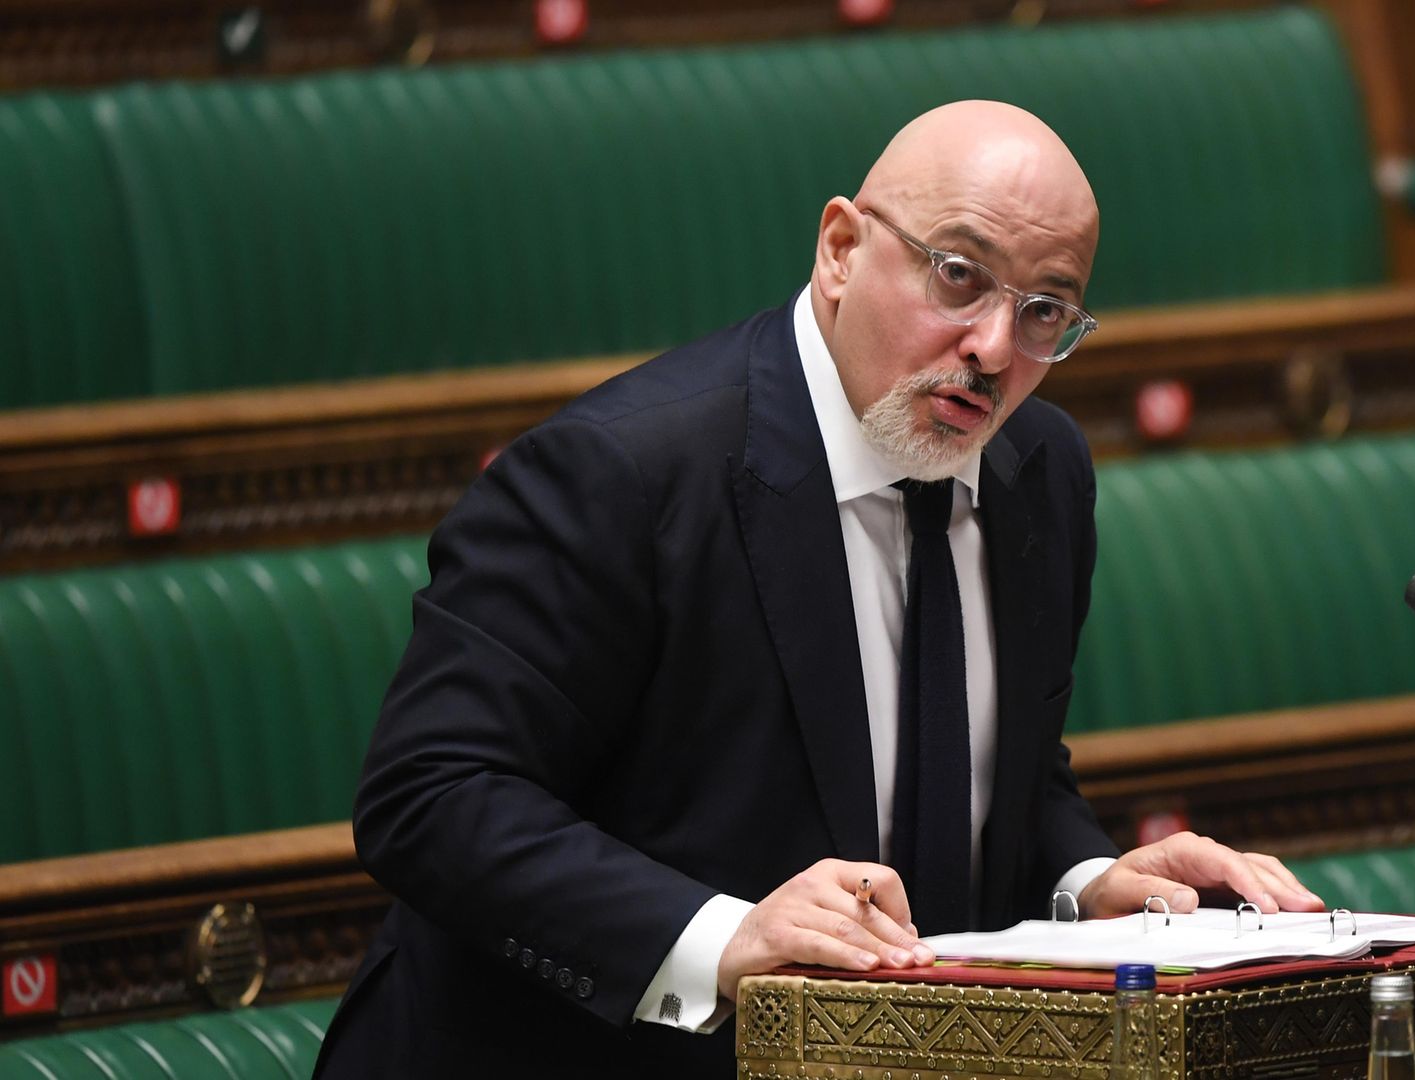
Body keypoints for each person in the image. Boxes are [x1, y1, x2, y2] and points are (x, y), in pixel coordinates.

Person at [312, 100, 1323, 1080]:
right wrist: (722, 936)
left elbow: (997, 773)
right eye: (960, 277)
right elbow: (432, 795)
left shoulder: (1038, 470)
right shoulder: (618, 475)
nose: (994, 347)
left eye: (1046, 311)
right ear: (841, 248)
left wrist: (1085, 885)